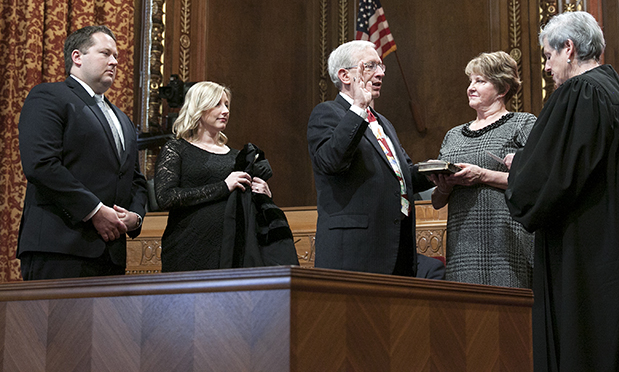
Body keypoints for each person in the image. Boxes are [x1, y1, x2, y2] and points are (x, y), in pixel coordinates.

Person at [505, 11, 619, 371]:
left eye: (547, 55)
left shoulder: (579, 94)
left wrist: (520, 168)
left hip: (586, 253)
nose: (546, 67)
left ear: (569, 49)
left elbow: (544, 180)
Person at [17, 25, 148, 280]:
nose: (114, 62)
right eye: (105, 53)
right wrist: (95, 211)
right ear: (77, 57)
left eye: (117, 57)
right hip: (60, 249)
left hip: (111, 256)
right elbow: (41, 165)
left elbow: (135, 179)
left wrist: (135, 217)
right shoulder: (49, 96)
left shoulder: (122, 119)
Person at [307, 40, 443, 278]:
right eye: (370, 66)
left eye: (381, 66)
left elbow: (402, 176)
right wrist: (359, 107)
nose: (380, 73)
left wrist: (439, 170)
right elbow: (332, 161)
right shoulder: (326, 113)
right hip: (354, 252)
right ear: (345, 75)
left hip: (396, 245)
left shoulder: (382, 121)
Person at [154, 81, 297, 272]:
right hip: (188, 248)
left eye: (227, 105)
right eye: (217, 104)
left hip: (231, 251)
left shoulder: (237, 157)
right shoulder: (177, 148)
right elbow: (166, 197)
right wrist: (223, 186)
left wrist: (264, 194)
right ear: (199, 108)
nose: (225, 111)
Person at [427, 51, 536, 288]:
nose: (471, 88)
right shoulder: (453, 135)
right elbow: (436, 202)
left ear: (503, 88)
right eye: (470, 81)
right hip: (462, 242)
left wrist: (483, 175)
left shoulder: (523, 124)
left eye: (480, 81)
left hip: (507, 238)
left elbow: (536, 180)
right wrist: (444, 187)